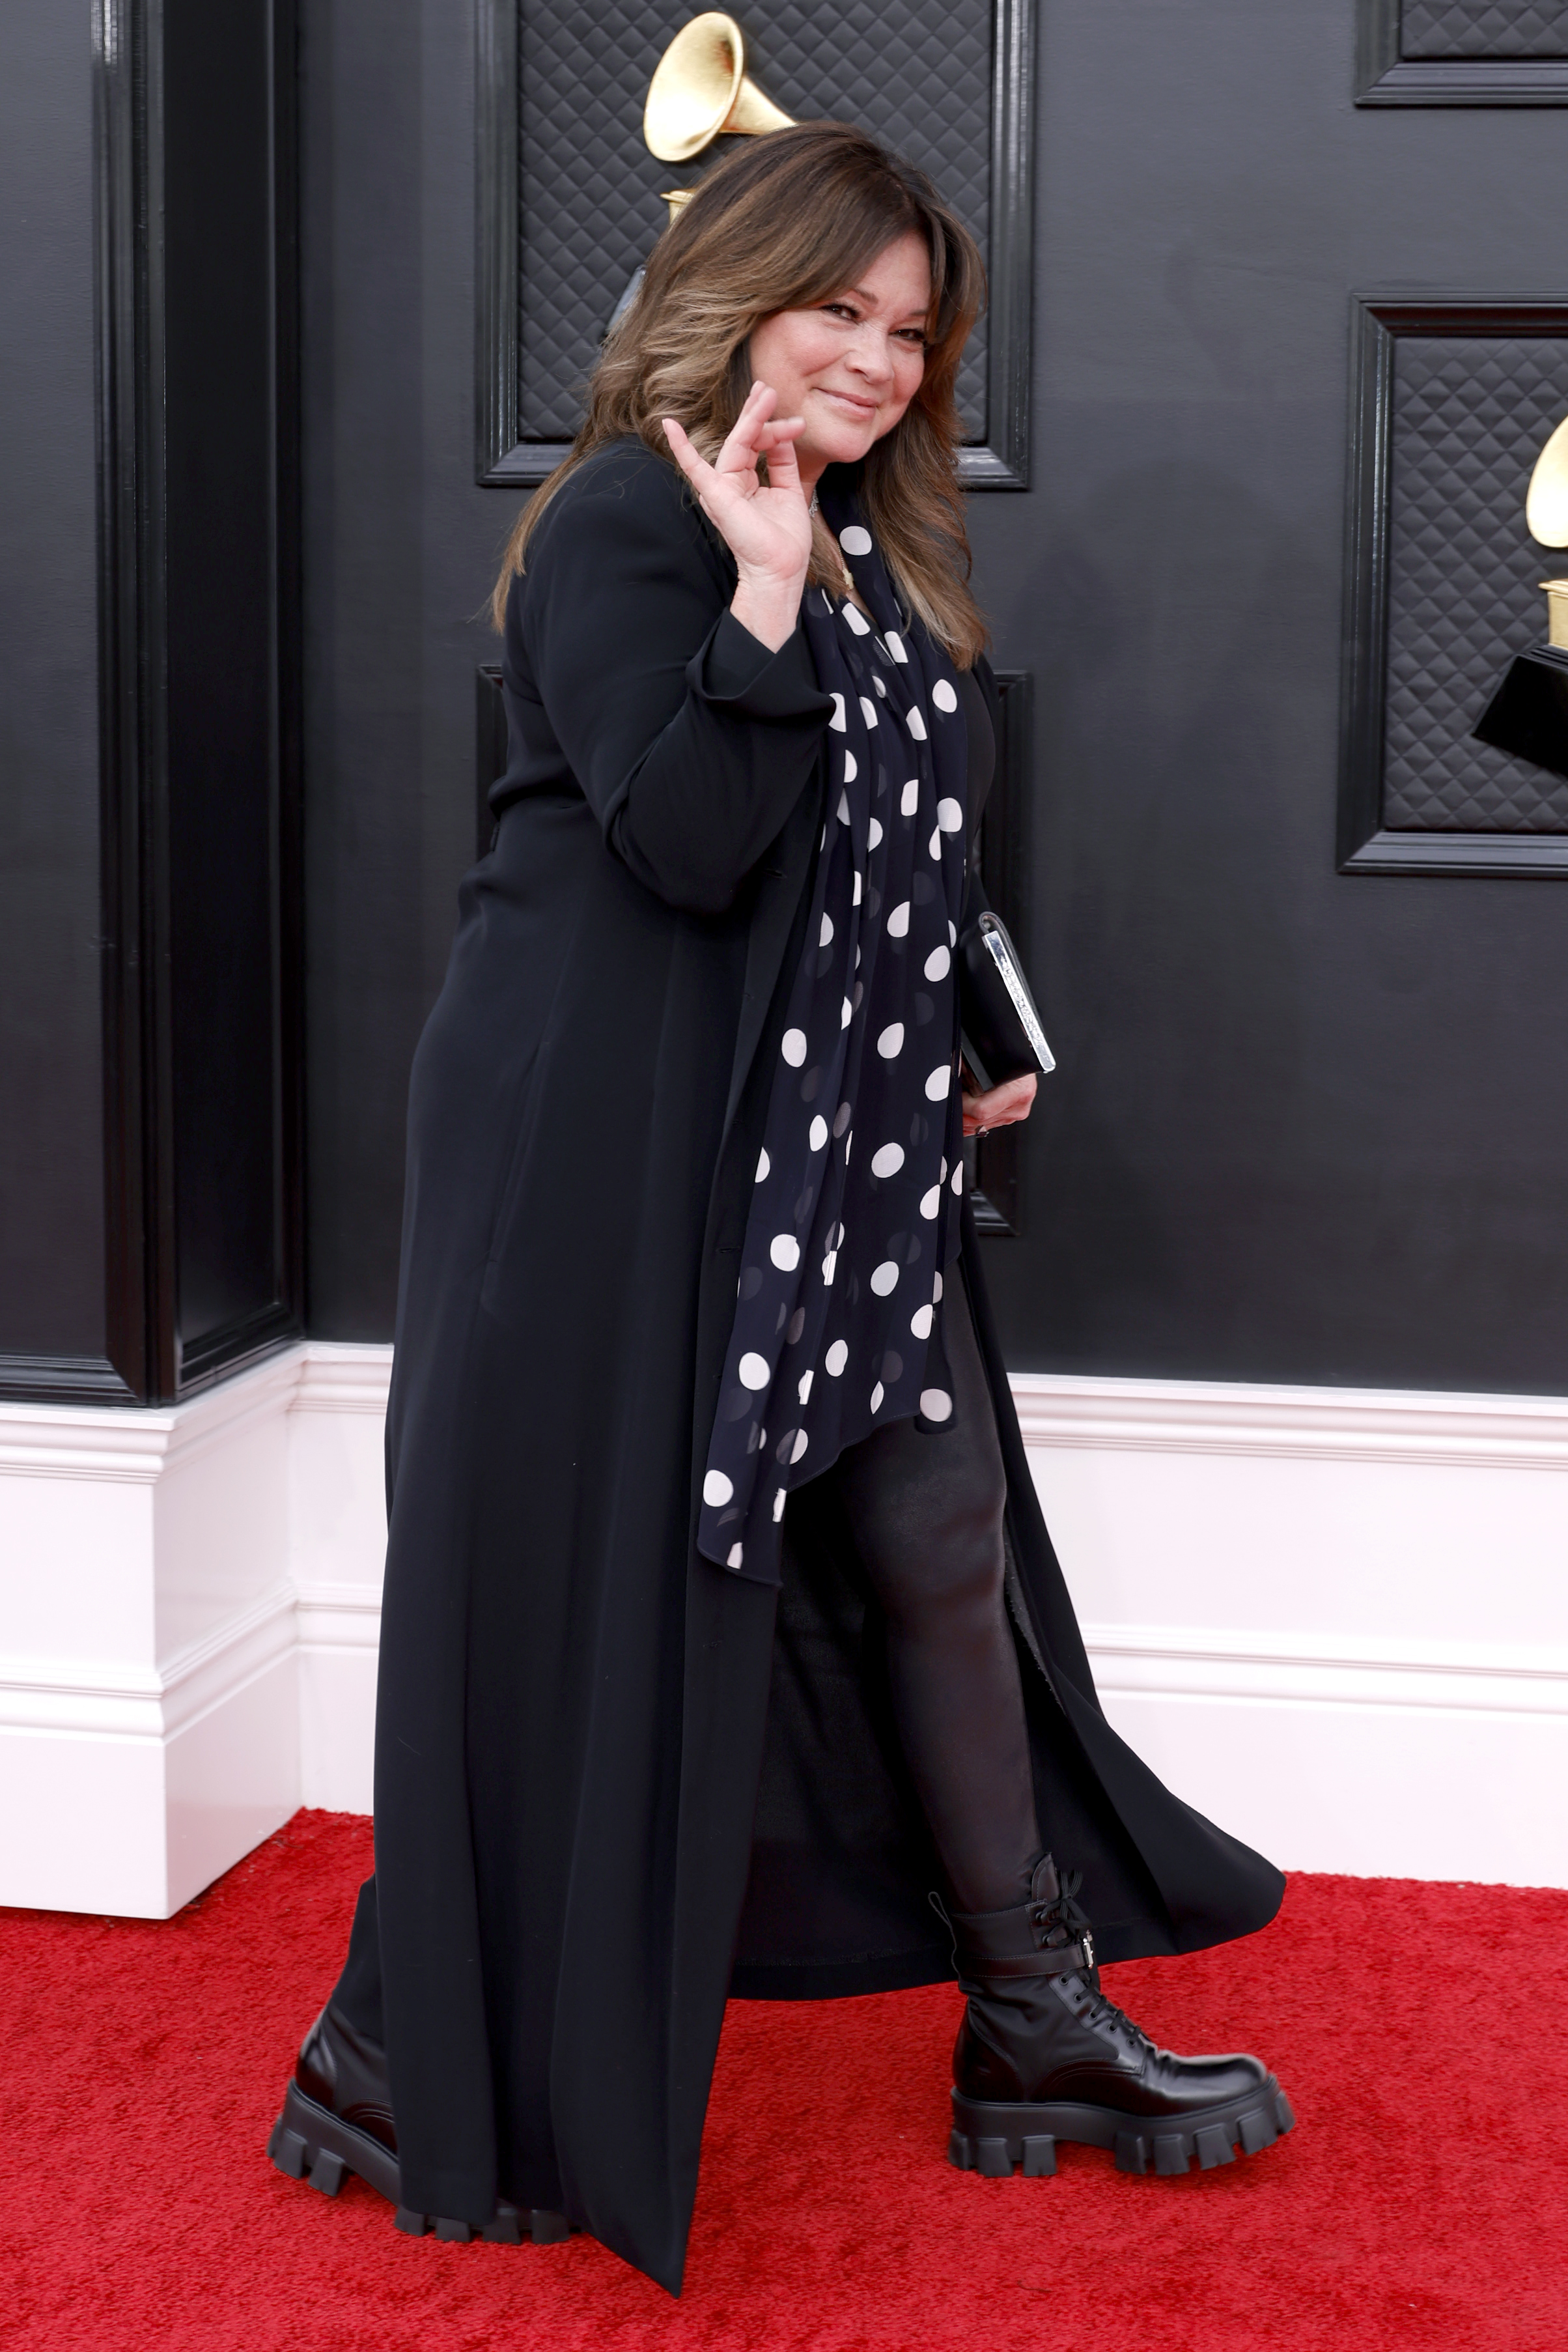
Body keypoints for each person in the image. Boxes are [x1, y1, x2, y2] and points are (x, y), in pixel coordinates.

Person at [267, 123, 1291, 2296]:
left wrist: (969, 1009)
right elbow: (694, 845)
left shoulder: (859, 544)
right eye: (844, 309)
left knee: (936, 1533)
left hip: (827, 1145)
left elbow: (896, 843)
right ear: (738, 289)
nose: (883, 360)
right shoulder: (637, 528)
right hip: (604, 1152)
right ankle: (382, 2046)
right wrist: (750, 586)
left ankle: (1030, 2018)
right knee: (582, 1603)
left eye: (915, 333)